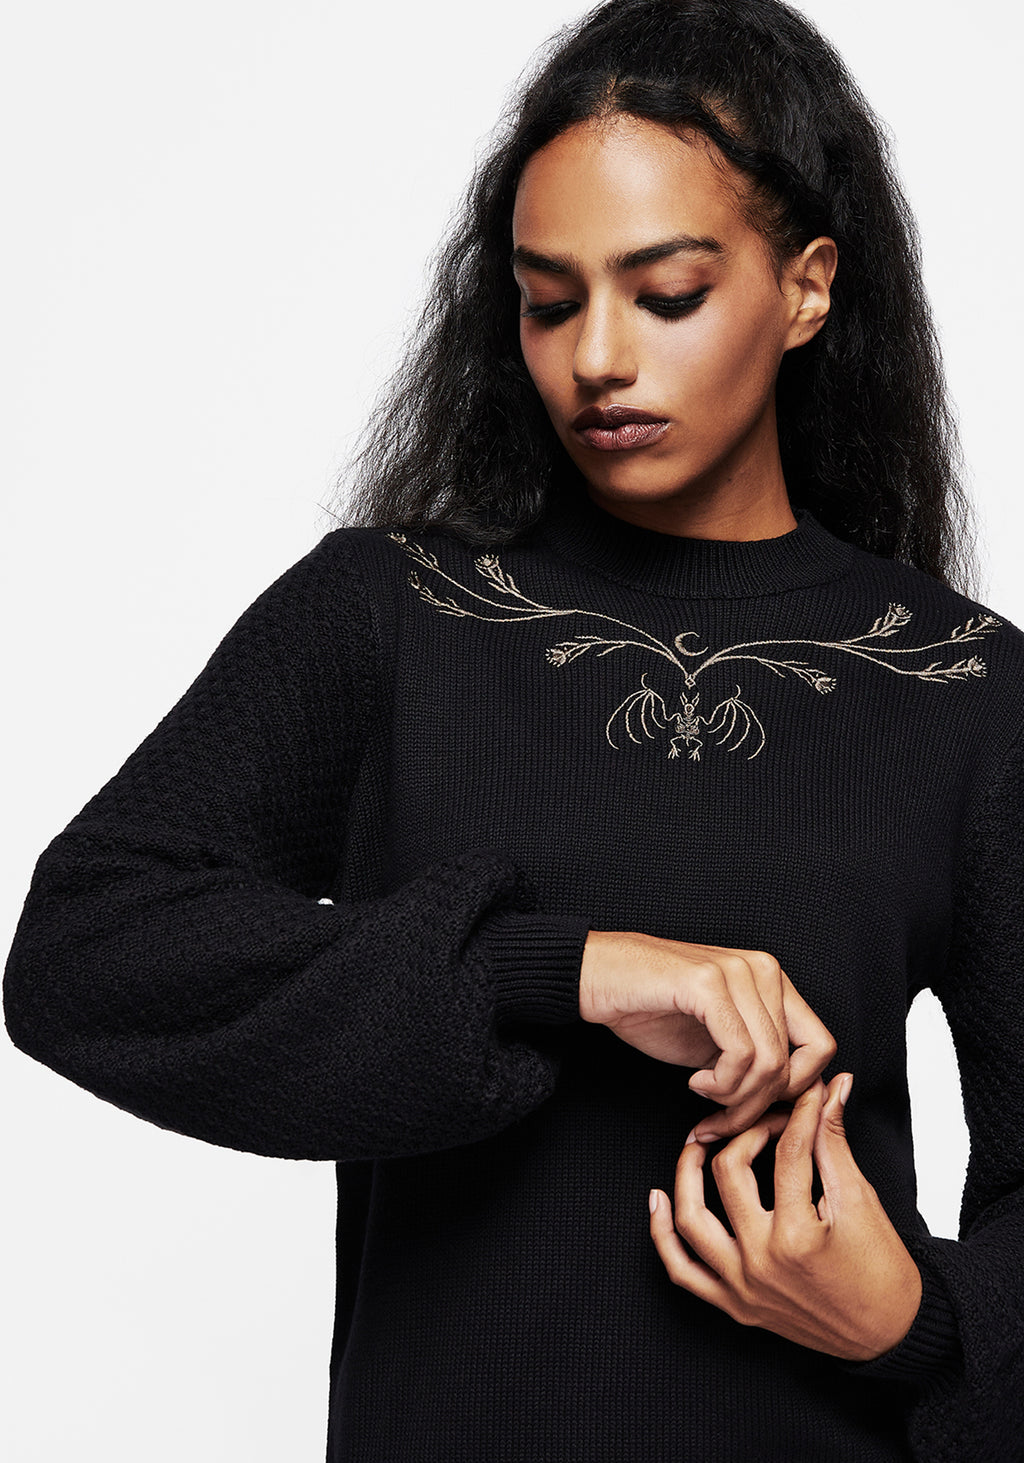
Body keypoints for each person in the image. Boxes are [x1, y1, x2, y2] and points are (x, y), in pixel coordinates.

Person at [4, 0, 1022, 1458]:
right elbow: (89, 951)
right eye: (549, 303)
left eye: (667, 294)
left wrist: (914, 1320)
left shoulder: (959, 686)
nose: (597, 357)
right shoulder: (391, 612)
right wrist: (564, 971)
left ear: (806, 290)